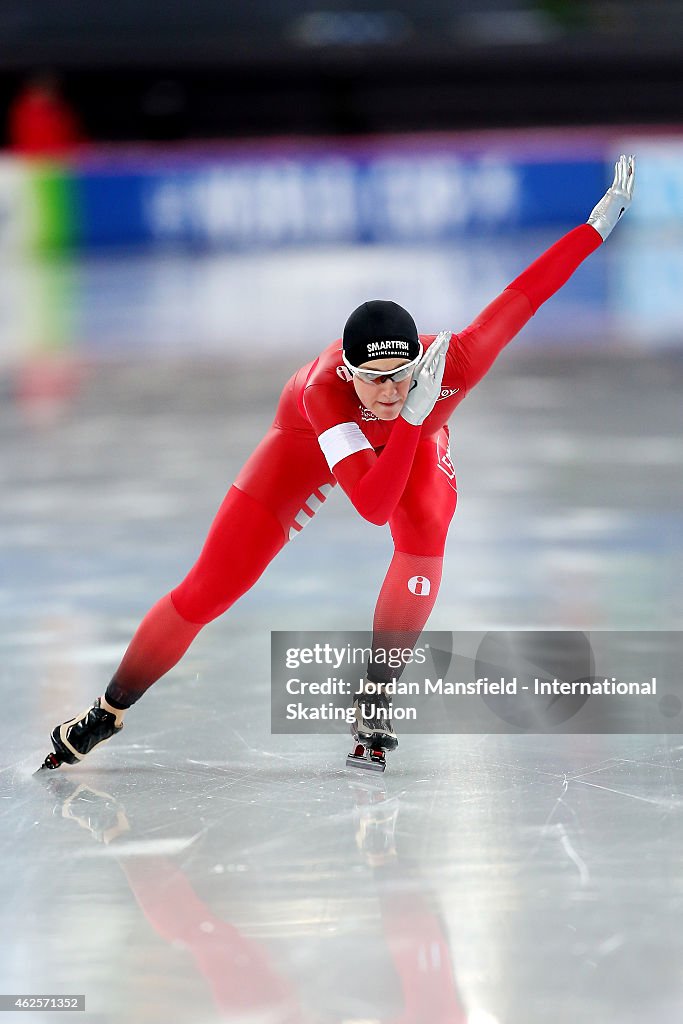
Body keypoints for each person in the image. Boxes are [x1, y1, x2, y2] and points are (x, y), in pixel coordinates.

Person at [39, 155, 636, 772]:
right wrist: (409, 420)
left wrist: (593, 229)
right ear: (348, 372)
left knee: (429, 525)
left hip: (413, 439)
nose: (387, 391)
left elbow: (527, 293)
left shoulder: (453, 364)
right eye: (372, 380)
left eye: (400, 377)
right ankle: (107, 710)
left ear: (418, 363)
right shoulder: (325, 393)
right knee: (208, 590)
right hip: (306, 443)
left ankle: (376, 699)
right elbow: (371, 506)